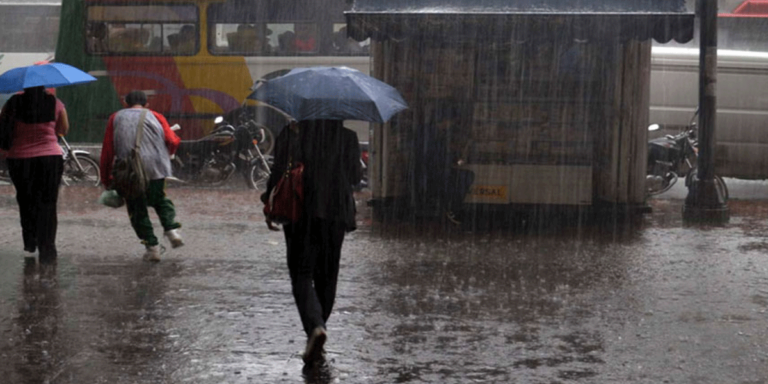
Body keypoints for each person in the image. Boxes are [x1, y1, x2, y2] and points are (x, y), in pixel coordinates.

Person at [262, 120, 362, 365]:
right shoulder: (347, 136)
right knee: (328, 276)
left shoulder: (291, 132)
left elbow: (278, 172)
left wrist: (269, 201)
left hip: (300, 209)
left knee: (302, 274)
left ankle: (315, 328)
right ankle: (318, 330)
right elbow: (356, 177)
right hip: (336, 213)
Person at [99, 90, 184, 262]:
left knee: (137, 208)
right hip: (155, 168)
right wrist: (168, 154)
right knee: (159, 199)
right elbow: (173, 140)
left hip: (129, 170)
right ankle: (171, 229)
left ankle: (152, 247)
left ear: (125, 102)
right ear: (146, 104)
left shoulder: (115, 117)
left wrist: (106, 178)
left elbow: (108, 150)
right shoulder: (156, 116)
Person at [1, 86, 69, 265]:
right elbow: (64, 129)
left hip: (20, 159)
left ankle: (30, 243)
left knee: (26, 200)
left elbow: (4, 130)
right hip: (50, 158)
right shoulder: (55, 103)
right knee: (48, 203)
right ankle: (48, 248)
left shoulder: (13, 103)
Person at [415, 106, 475, 225]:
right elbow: (434, 155)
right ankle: (452, 208)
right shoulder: (432, 134)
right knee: (465, 177)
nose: (451, 125)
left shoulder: (431, 132)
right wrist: (453, 158)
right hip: (430, 172)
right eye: (450, 122)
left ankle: (451, 207)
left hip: (430, 170)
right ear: (445, 120)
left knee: (463, 176)